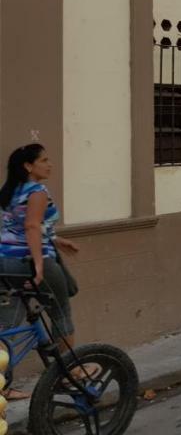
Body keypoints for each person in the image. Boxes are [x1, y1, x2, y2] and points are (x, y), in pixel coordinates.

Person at [0, 144, 88, 396]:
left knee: (6, 325)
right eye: (44, 160)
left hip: (5, 261)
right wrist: (38, 263)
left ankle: (2, 386)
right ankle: (71, 373)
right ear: (28, 166)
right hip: (31, 261)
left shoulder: (10, 191)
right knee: (61, 313)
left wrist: (58, 240)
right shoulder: (37, 190)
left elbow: (19, 227)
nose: (49, 164)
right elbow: (30, 227)